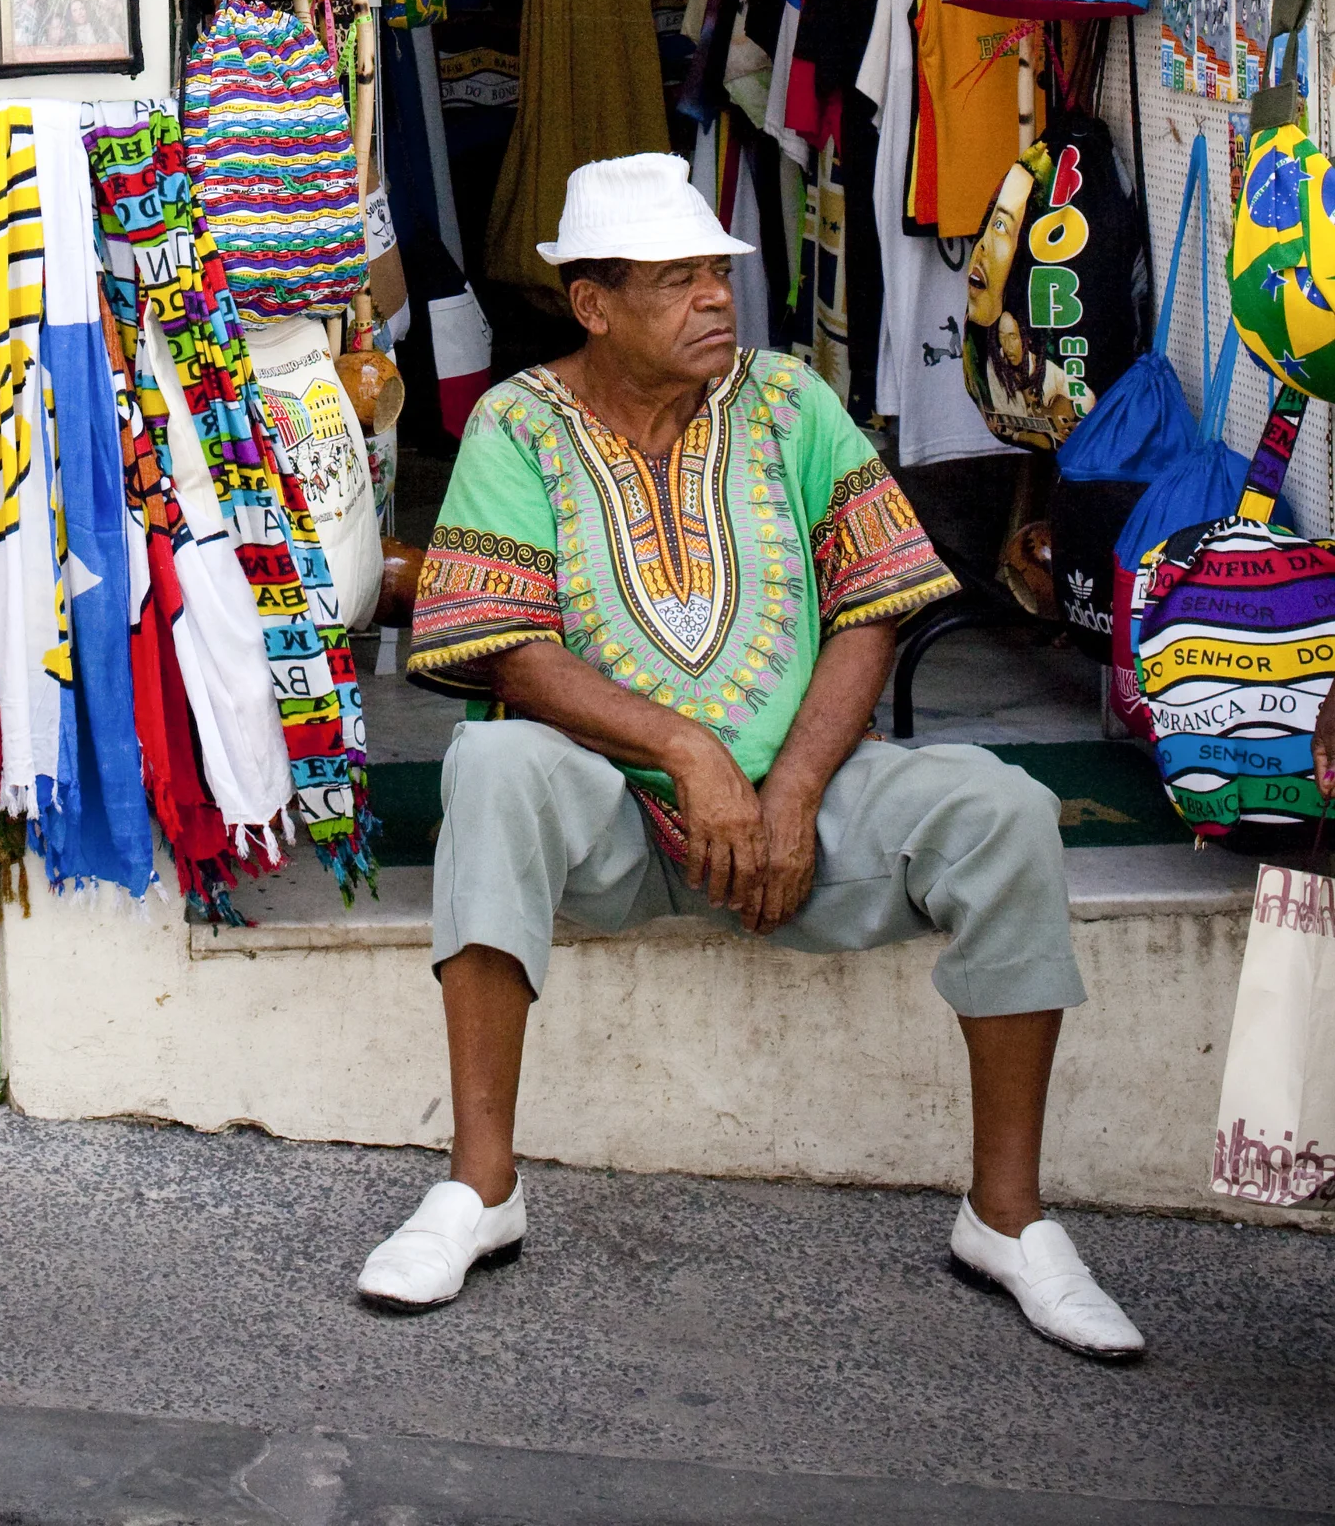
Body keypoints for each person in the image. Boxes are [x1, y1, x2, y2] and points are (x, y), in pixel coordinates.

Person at [360, 152, 1143, 1360]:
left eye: (716, 275)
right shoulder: (519, 423)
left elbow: (875, 603)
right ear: (592, 303)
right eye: (674, 282)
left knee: (1004, 808)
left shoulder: (789, 401)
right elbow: (502, 649)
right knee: (494, 769)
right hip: (609, 824)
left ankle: (1007, 1218)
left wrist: (790, 783)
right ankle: (480, 1187)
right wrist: (685, 748)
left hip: (804, 821)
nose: (715, 300)